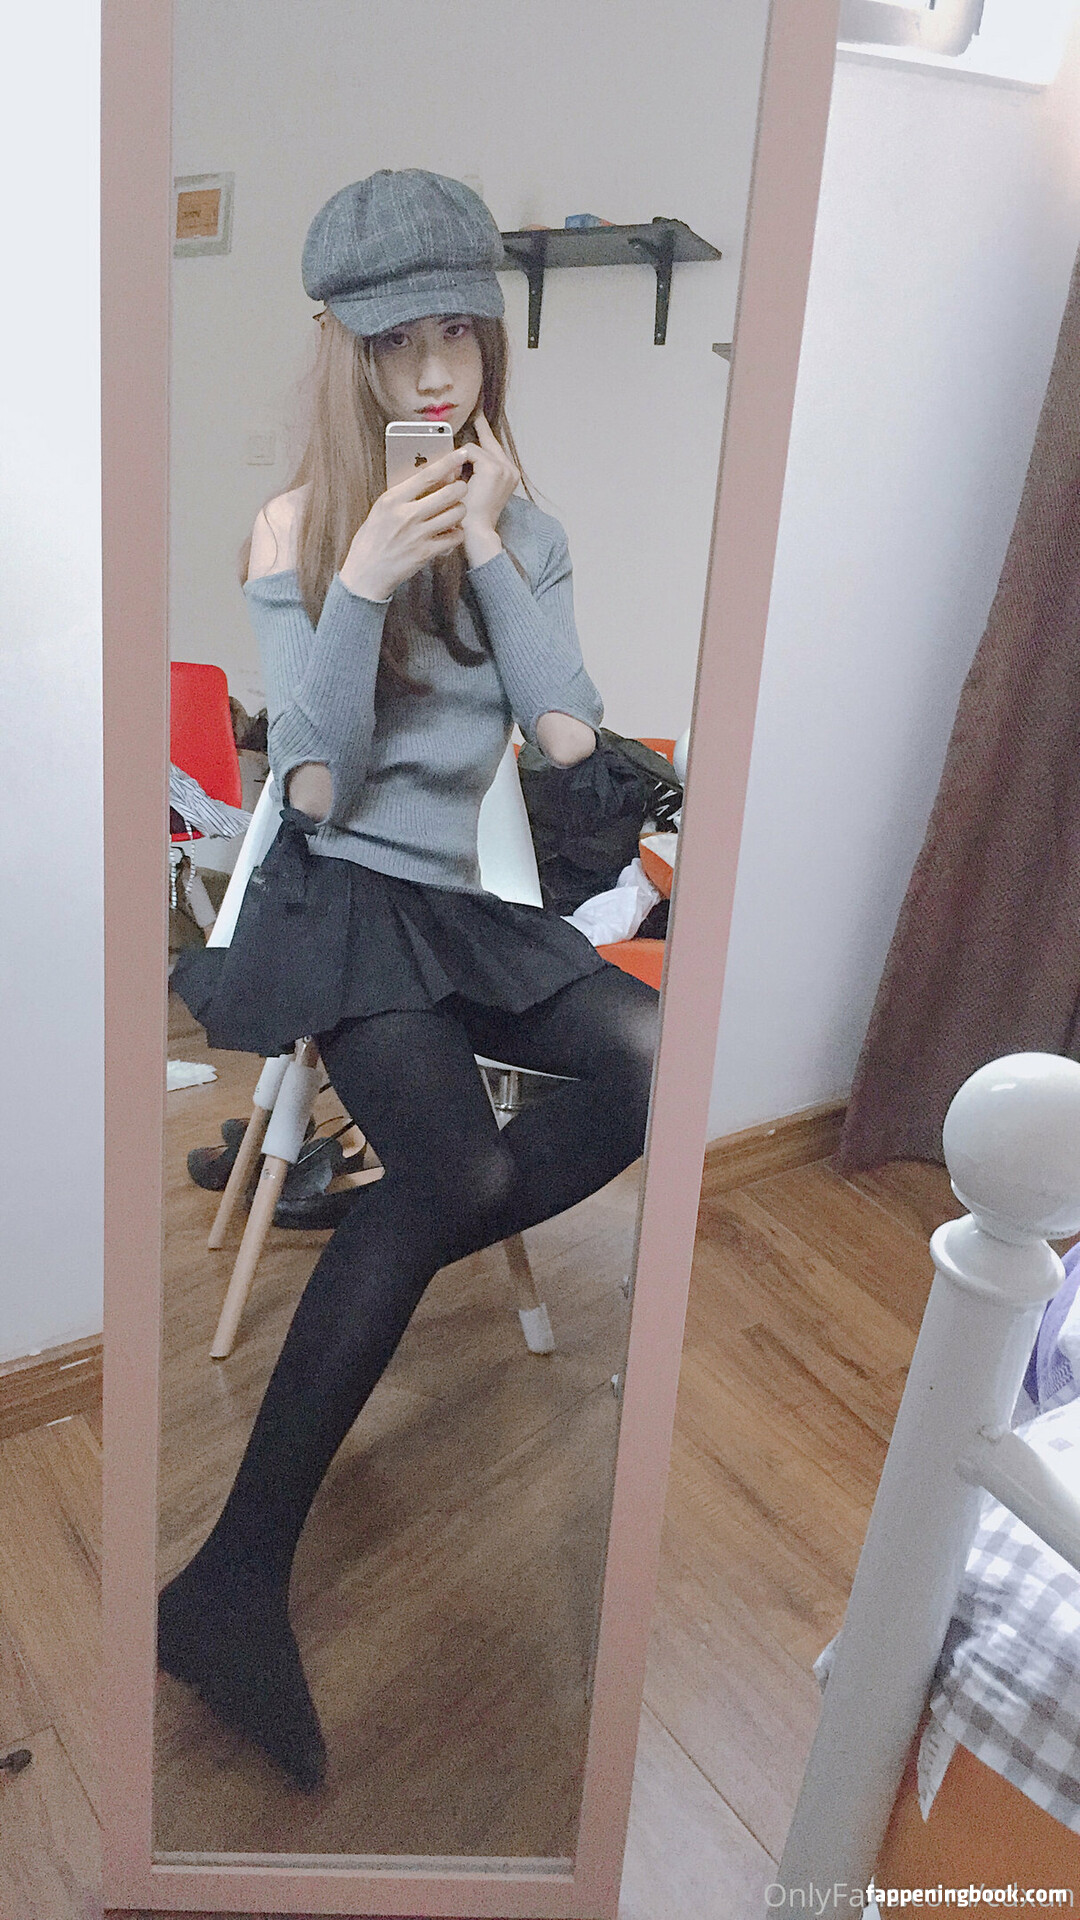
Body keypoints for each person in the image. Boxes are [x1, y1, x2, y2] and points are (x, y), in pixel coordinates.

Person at [162, 169, 659, 1793]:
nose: (435, 372)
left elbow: (571, 743)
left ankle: (385, 1224)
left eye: (459, 331)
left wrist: (492, 547)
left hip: (460, 904)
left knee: (649, 1060)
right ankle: (232, 1578)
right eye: (398, 341)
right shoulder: (295, 530)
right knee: (456, 1170)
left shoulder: (532, 531)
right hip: (341, 899)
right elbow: (310, 789)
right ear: (347, 351)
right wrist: (366, 575)